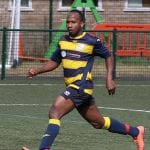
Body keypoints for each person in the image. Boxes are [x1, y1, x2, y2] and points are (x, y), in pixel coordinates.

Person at [22, 9, 144, 150]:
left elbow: (108, 55)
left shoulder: (91, 41)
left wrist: (109, 78)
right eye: (68, 22)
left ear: (82, 24)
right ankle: (136, 131)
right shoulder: (63, 41)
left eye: (73, 22)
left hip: (80, 86)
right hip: (79, 89)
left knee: (55, 112)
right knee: (98, 123)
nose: (69, 25)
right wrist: (37, 71)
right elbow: (54, 62)